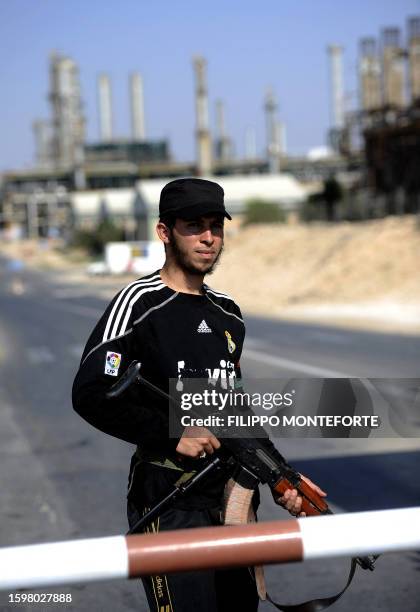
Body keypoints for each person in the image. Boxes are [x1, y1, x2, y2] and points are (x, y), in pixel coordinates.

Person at [72, 178, 326, 612]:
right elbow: (90, 391)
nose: (209, 238)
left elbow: (232, 412)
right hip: (168, 498)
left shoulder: (228, 314)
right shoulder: (138, 303)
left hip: (229, 500)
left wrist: (282, 477)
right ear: (164, 232)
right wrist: (174, 435)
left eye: (216, 226)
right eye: (194, 225)